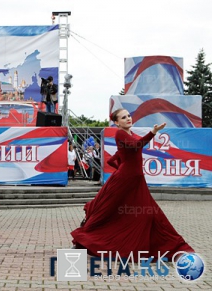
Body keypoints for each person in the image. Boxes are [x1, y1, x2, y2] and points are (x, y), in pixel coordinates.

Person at [71, 108, 194, 260]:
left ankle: (172, 248)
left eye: (129, 116)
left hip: (135, 179)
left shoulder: (129, 134)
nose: (128, 118)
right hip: (127, 180)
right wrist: (153, 132)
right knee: (107, 212)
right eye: (123, 118)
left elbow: (115, 158)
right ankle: (82, 240)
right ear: (116, 123)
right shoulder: (120, 133)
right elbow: (136, 146)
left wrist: (122, 168)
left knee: (148, 214)